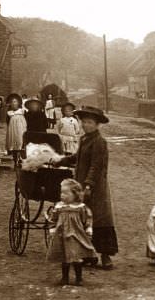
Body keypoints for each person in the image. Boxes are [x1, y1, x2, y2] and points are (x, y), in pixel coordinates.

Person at [54, 106, 118, 269]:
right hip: (81, 185)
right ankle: (88, 255)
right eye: (84, 122)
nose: (86, 125)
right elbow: (77, 157)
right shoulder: (84, 139)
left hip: (96, 188)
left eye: (90, 122)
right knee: (82, 219)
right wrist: (62, 160)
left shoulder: (99, 142)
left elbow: (97, 166)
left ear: (97, 125)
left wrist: (88, 185)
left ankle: (106, 256)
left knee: (100, 219)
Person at [46, 179, 96, 286]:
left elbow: (87, 219)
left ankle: (79, 278)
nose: (62, 195)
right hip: (62, 235)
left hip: (76, 235)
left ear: (75, 194)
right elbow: (53, 219)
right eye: (61, 192)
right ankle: (65, 278)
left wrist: (88, 228)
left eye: (65, 193)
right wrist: (52, 229)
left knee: (76, 257)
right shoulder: (59, 207)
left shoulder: (80, 208)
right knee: (65, 257)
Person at [4, 94, 26, 166]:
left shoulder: (21, 111)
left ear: (18, 103)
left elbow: (25, 121)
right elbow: (7, 122)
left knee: (20, 142)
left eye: (15, 102)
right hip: (12, 130)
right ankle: (15, 159)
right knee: (13, 143)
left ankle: (19, 158)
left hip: (20, 129)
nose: (14, 103)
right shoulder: (10, 113)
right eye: (13, 102)